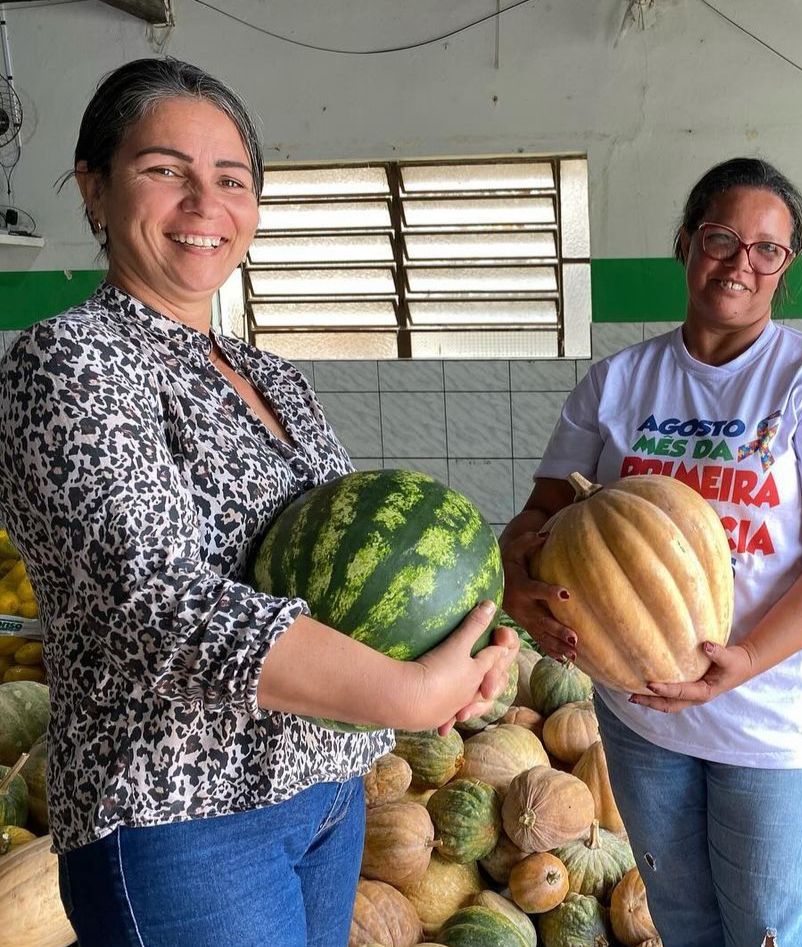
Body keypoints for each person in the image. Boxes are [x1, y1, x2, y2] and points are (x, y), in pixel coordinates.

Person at [0, 57, 518, 947]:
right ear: (93, 187)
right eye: (166, 170)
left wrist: (456, 665)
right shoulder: (70, 363)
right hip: (182, 820)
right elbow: (154, 604)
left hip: (323, 789)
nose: (205, 203)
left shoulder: (272, 374)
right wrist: (403, 689)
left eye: (230, 179)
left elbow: (348, 578)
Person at [500, 157, 802, 947]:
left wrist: (744, 656)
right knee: (681, 921)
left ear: (785, 267)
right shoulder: (616, 385)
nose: (741, 261)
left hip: (773, 719)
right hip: (643, 721)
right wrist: (515, 575)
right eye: (722, 237)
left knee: (766, 931)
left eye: (767, 249)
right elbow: (539, 516)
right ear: (686, 243)